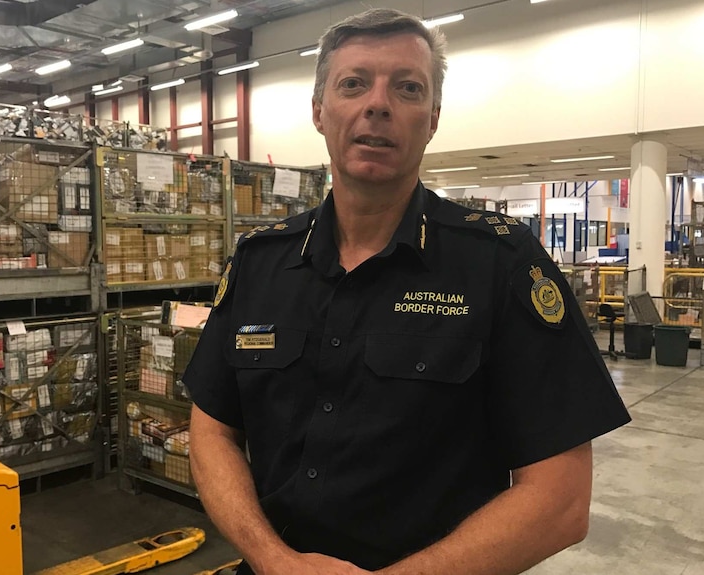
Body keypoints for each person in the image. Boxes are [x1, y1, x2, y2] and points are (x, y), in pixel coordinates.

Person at [182, 8, 631, 575]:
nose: (377, 103)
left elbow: (562, 499)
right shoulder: (260, 262)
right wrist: (272, 559)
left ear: (433, 117)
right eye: (353, 83)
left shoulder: (500, 263)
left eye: (407, 87)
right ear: (320, 111)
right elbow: (212, 428)